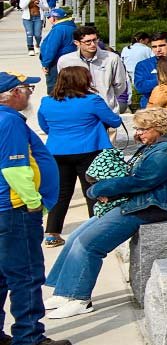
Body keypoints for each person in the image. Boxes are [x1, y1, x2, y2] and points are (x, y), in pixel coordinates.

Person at [46, 104, 167, 315]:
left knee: (89, 244)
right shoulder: (159, 144)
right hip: (138, 201)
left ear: (159, 127)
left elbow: (141, 181)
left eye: (143, 129)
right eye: (138, 129)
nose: (138, 134)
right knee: (77, 235)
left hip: (150, 206)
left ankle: (79, 298)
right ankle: (64, 291)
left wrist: (98, 189)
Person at [1, 72, 70, 345]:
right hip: (14, 209)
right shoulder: (9, 121)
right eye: (27, 88)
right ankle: (28, 336)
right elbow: (14, 168)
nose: (30, 93)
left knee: (3, 275)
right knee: (26, 274)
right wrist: (32, 202)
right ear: (14, 92)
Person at [35, 65, 120, 246]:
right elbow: (114, 121)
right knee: (91, 190)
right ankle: (93, 231)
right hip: (88, 150)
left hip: (57, 151)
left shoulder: (47, 101)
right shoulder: (92, 100)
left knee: (61, 193)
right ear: (84, 80)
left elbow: (45, 126)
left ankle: (52, 233)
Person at [58, 26, 130, 110]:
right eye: (88, 41)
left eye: (95, 40)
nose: (93, 44)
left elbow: (120, 84)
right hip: (79, 109)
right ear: (77, 42)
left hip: (107, 107)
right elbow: (64, 85)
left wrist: (108, 97)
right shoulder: (65, 61)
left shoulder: (112, 58)